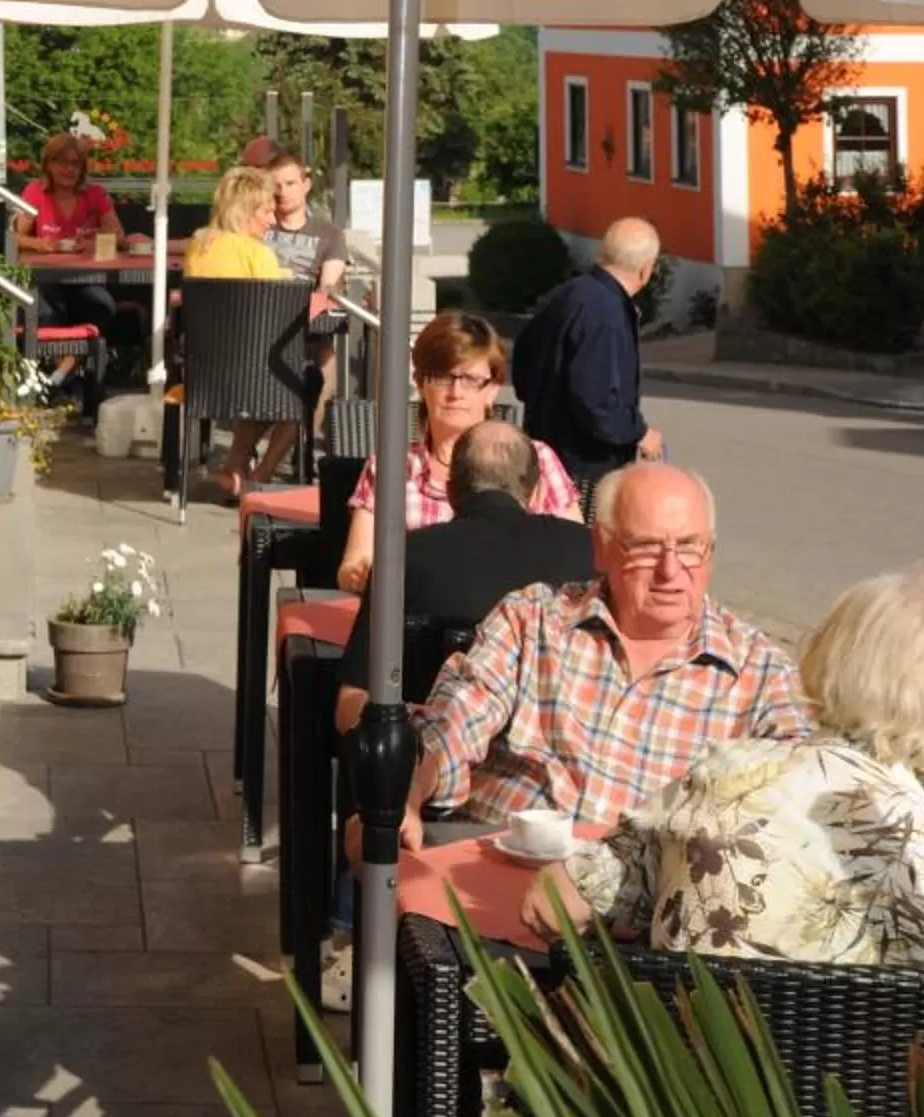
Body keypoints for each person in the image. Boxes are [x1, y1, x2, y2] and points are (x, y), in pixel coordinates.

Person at [521, 569, 924, 995]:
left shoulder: (725, 781)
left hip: (685, 1103)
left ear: (826, 657)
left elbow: (557, 900)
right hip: (874, 1111)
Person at [399, 463, 810, 844]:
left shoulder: (760, 673)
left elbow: (805, 796)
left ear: (711, 552)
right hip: (501, 877)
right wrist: (411, 785)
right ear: (602, 548)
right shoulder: (534, 620)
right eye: (646, 547)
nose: (670, 571)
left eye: (689, 547)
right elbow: (458, 719)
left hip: (651, 907)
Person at [334, 422, 594, 735]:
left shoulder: (407, 555)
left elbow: (351, 704)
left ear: (451, 490)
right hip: (555, 757)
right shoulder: (587, 552)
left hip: (437, 757)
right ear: (535, 492)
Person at [337, 313, 581, 595]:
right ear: (420, 383)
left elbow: (574, 555)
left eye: (471, 380)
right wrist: (360, 574)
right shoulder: (391, 469)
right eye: (442, 378)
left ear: (492, 389)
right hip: (421, 625)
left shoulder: (537, 460)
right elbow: (351, 566)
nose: (456, 392)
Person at [509, 217, 665, 498]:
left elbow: (523, 358)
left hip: (544, 452)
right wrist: (640, 433)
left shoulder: (568, 293)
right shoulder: (606, 314)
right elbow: (597, 402)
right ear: (646, 269)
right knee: (584, 541)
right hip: (585, 469)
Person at [182, 165, 298, 495]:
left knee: (263, 385)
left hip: (203, 374)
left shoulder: (198, 246)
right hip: (251, 376)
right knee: (296, 395)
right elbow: (277, 314)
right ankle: (255, 481)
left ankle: (233, 469)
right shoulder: (258, 254)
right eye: (267, 211)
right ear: (246, 211)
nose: (273, 221)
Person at [18, 133, 141, 393]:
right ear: (48, 164)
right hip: (46, 278)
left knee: (103, 306)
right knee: (45, 308)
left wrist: (96, 241)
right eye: (62, 162)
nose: (69, 169)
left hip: (85, 279)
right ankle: (61, 375)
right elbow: (15, 236)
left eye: (76, 164)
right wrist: (41, 244)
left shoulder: (94, 194)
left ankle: (62, 374)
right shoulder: (35, 192)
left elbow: (119, 235)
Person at [263, 147, 352, 434]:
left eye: (290, 184)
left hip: (302, 323)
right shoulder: (259, 224)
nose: (282, 192)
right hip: (258, 319)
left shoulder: (328, 234)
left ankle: (306, 436)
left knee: (327, 364)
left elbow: (328, 284)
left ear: (306, 185)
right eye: (276, 185)